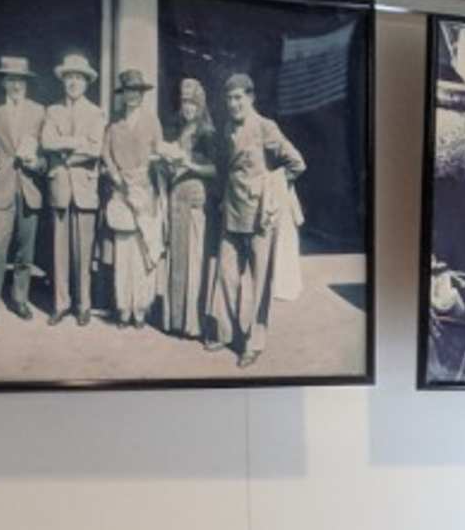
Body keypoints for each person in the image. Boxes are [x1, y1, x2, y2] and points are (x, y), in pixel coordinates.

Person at [212, 69, 309, 366]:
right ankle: (227, 332)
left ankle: (254, 342)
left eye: (238, 98)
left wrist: (273, 187)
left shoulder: (265, 127)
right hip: (232, 210)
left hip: (259, 216)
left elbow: (296, 163)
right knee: (227, 275)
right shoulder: (227, 126)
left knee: (260, 282)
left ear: (251, 97)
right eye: (229, 98)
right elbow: (225, 168)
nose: (233, 104)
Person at [0, 54, 48, 324]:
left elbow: (46, 153)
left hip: (29, 186)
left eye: (20, 80)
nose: (16, 85)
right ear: (3, 83)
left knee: (25, 250)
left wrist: (38, 162)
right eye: (11, 80)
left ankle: (20, 299)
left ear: (26, 83)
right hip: (2, 186)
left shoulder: (39, 111)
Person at [37, 49, 107, 320]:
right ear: (63, 81)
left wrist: (65, 147)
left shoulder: (96, 112)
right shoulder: (52, 111)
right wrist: (74, 141)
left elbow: (95, 148)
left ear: (87, 82)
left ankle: (83, 305)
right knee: (59, 250)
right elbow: (46, 142)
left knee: (83, 251)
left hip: (85, 188)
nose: (73, 82)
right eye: (69, 78)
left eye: (78, 77)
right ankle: (60, 304)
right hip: (60, 187)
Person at [99, 67, 166, 328]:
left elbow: (159, 151)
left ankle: (141, 308)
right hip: (121, 193)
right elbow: (105, 153)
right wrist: (116, 176)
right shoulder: (114, 123)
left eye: (137, 91)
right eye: (128, 91)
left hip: (144, 193)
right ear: (122, 94)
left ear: (142, 94)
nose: (133, 96)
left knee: (142, 252)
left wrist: (147, 169)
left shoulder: (152, 121)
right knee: (124, 252)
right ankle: (123, 308)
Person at [158, 75, 219, 338]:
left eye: (192, 102)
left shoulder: (207, 133)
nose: (188, 107)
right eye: (184, 102)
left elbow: (216, 169)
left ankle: (192, 323)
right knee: (177, 258)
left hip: (195, 198)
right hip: (176, 198)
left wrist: (189, 164)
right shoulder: (178, 129)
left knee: (194, 258)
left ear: (201, 104)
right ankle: (174, 320)